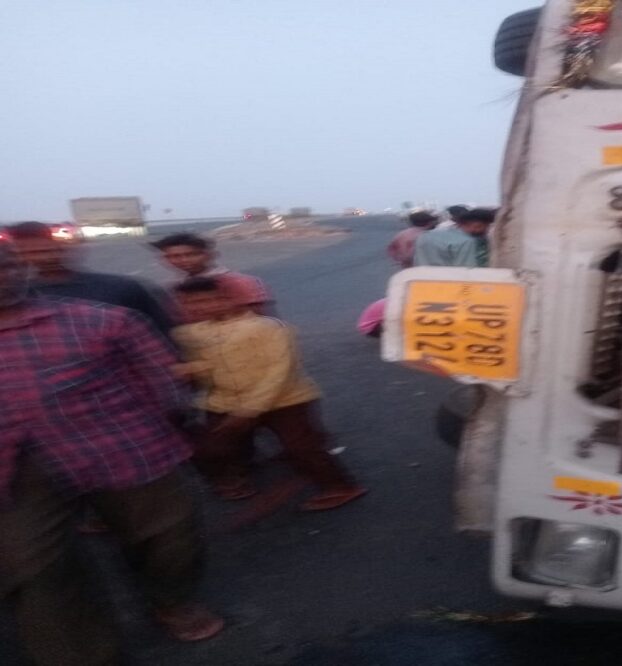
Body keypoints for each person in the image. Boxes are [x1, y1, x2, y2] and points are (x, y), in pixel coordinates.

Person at [0, 245, 223, 666]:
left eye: (4, 266)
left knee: (169, 537)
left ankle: (172, 602)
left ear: (20, 270)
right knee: (33, 571)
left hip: (121, 444)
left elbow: (163, 376)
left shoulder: (101, 318)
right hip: (14, 469)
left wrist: (177, 423)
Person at [172, 277, 366, 510]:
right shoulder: (191, 333)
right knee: (213, 446)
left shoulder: (268, 327)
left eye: (211, 299)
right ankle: (232, 480)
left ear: (232, 299)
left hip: (285, 400)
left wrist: (250, 409)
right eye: (192, 303)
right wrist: (190, 369)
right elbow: (208, 363)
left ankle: (340, 487)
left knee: (301, 447)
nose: (202, 307)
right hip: (225, 402)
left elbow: (281, 371)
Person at [8, 221, 176, 336]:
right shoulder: (13, 299)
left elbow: (161, 332)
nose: (46, 258)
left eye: (51, 250)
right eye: (32, 253)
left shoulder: (123, 288)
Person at [151, 232, 272, 318]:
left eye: (191, 254)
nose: (183, 260)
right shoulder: (172, 287)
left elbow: (264, 322)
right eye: (174, 256)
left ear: (210, 255)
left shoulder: (242, 283)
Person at [413, 207, 496, 268]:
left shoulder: (425, 235)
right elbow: (466, 269)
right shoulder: (467, 241)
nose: (487, 231)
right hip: (450, 284)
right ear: (476, 225)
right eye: (486, 227)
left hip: (422, 281)